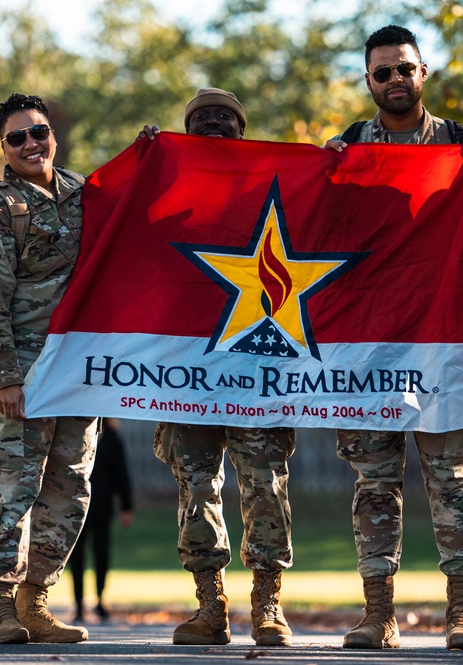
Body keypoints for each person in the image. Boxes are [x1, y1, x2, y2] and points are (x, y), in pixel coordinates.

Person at [323, 25, 463, 651]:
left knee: (450, 477)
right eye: (382, 73)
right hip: (367, 348)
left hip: (443, 341)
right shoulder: (344, 152)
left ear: (424, 72)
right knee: (374, 484)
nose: (394, 81)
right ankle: (379, 614)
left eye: (405, 69)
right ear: (368, 81)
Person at [139, 88, 297, 648]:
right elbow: (125, 231)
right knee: (197, 487)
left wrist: (334, 162)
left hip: (258, 370)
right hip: (188, 373)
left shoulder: (272, 189)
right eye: (200, 119)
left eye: (224, 119)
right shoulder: (168, 194)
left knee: (264, 486)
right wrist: (146, 166)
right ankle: (210, 605)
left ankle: (268, 604)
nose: (211, 125)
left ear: (242, 130)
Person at [0, 92, 98, 645]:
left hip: (77, 372)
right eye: (16, 137)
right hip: (22, 373)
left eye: (37, 132)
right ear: (3, 146)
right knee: (14, 487)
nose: (30, 144)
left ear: (52, 135)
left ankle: (35, 601)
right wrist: (4, 380)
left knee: (70, 485)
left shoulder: (86, 195)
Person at [69, 418, 133, 622]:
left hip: (102, 506)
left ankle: (99, 599)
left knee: (101, 552)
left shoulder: (112, 437)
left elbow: (122, 472)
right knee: (76, 555)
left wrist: (126, 506)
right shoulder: (73, 434)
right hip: (76, 505)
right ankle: (78, 603)